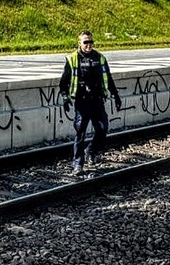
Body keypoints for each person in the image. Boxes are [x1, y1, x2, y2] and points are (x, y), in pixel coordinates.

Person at [59, 30, 122, 175]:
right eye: (85, 42)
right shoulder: (73, 59)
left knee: (102, 129)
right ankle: (78, 164)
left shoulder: (100, 58)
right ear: (79, 43)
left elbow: (109, 78)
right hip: (82, 102)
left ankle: (91, 151)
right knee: (80, 133)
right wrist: (65, 97)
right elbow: (64, 82)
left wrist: (116, 95)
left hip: (97, 101)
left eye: (91, 42)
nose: (89, 45)